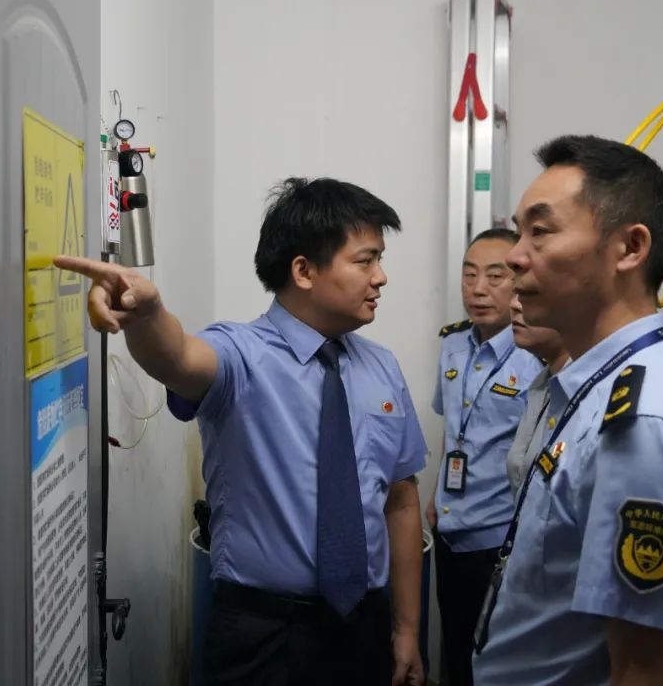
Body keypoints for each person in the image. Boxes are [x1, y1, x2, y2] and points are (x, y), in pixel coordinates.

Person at [55, 177, 427, 686]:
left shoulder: (381, 367)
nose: (381, 277)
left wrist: (407, 629)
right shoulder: (241, 355)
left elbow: (401, 501)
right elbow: (178, 356)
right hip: (263, 633)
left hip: (364, 626)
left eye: (379, 259)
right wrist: (147, 316)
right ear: (303, 271)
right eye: (365, 261)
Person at [472, 135, 663, 685]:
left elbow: (647, 672)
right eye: (519, 232)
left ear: (630, 248)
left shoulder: (644, 423)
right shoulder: (598, 382)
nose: (515, 256)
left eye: (540, 231)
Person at [425, 229, 542, 686]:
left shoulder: (536, 355)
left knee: (496, 664)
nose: (478, 289)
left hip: (501, 538)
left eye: (495, 276)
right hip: (450, 531)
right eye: (469, 275)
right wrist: (438, 493)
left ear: (519, 282)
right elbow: (453, 430)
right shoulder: (452, 345)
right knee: (456, 655)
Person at [504, 294, 569, 495]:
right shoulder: (544, 384)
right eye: (515, 292)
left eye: (532, 292)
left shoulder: (594, 392)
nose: (514, 304)